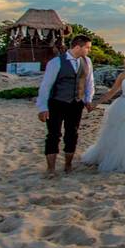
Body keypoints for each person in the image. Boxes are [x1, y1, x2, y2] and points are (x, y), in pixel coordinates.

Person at [36, 34, 96, 176]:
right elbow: (46, 86)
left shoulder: (87, 61)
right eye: (87, 47)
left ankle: (68, 165)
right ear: (78, 47)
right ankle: (51, 168)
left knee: (72, 134)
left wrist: (88, 99)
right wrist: (43, 107)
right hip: (57, 102)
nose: (89, 50)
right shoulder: (56, 62)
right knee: (53, 135)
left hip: (76, 103)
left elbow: (89, 83)